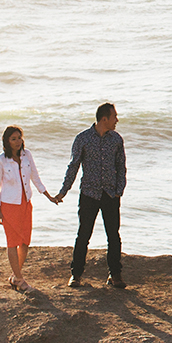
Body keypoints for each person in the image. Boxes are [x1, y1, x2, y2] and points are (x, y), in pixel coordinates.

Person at [58, 102, 127, 289]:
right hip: (89, 193)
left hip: (110, 194)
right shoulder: (83, 139)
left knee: (113, 235)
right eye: (114, 117)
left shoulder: (116, 140)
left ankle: (115, 274)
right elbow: (73, 166)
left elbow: (121, 167)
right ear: (104, 119)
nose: (117, 120)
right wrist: (64, 191)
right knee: (83, 235)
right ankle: (76, 274)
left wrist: (119, 190)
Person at [0, 125, 54, 294]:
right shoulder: (0, 161)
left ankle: (15, 274)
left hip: (26, 203)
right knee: (12, 242)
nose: (18, 141)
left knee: (25, 242)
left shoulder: (27, 156)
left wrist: (48, 195)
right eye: (13, 139)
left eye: (19, 137)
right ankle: (19, 279)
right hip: (9, 205)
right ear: (7, 141)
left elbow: (35, 176)